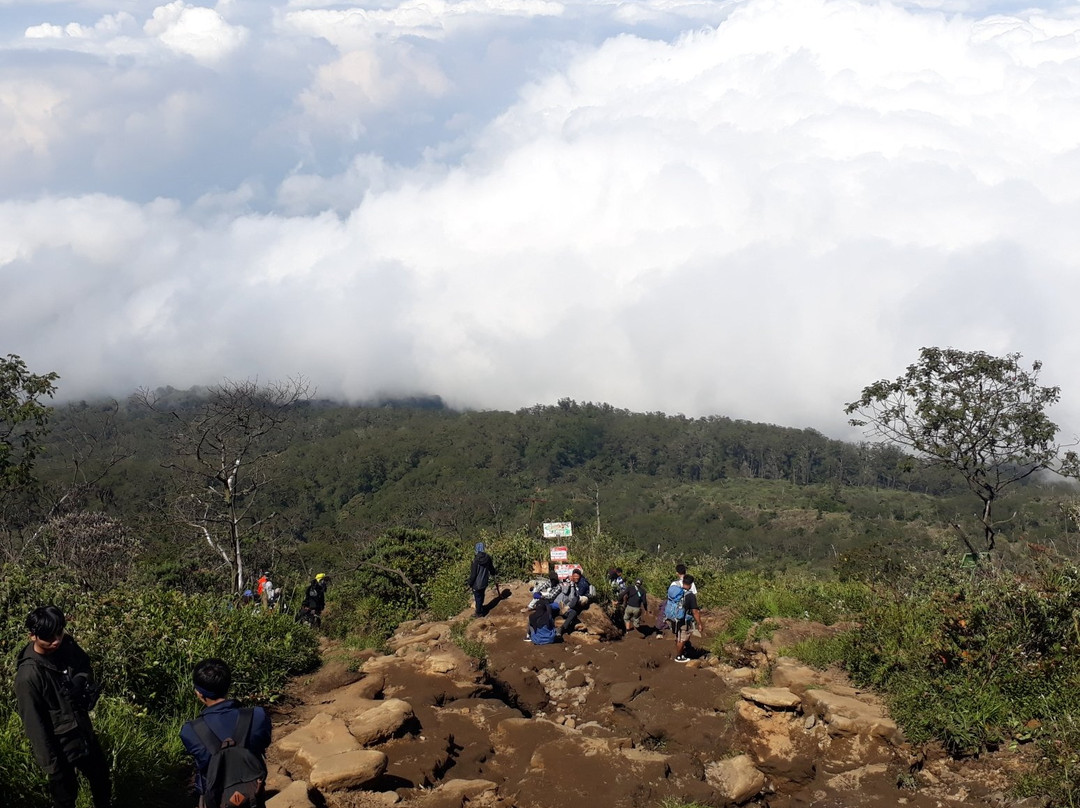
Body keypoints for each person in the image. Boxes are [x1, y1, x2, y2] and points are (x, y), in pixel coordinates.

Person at [14, 605, 111, 808]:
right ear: (33, 636)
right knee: (65, 799)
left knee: (101, 779)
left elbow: (84, 665)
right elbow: (34, 727)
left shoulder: (65, 645)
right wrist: (52, 766)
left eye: (59, 632)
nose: (56, 640)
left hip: (83, 733)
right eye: (49, 637)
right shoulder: (28, 676)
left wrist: (79, 681)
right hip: (60, 747)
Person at [180, 658, 271, 807]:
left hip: (216, 800)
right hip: (253, 793)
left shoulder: (191, 730)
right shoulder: (257, 715)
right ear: (228, 686)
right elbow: (264, 742)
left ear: (199, 694)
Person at [668, 575, 703, 662]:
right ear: (691, 584)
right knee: (683, 638)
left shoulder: (676, 591)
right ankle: (679, 656)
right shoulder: (690, 595)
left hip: (673, 617)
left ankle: (680, 652)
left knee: (678, 635)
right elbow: (695, 611)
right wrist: (699, 624)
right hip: (683, 619)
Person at [557, 569, 591, 636]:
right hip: (576, 601)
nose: (575, 578)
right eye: (574, 576)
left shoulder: (583, 583)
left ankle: (567, 608)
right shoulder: (574, 582)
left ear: (580, 576)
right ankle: (563, 627)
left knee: (575, 599)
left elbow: (578, 595)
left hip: (584, 598)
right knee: (573, 611)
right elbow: (566, 592)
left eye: (577, 576)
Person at [467, 542, 497, 617]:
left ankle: (479, 613)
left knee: (477, 597)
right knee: (481, 595)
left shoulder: (475, 561)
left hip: (476, 583)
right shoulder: (487, 558)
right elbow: (491, 569)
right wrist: (493, 574)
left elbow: (473, 574)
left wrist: (470, 583)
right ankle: (480, 608)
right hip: (484, 581)